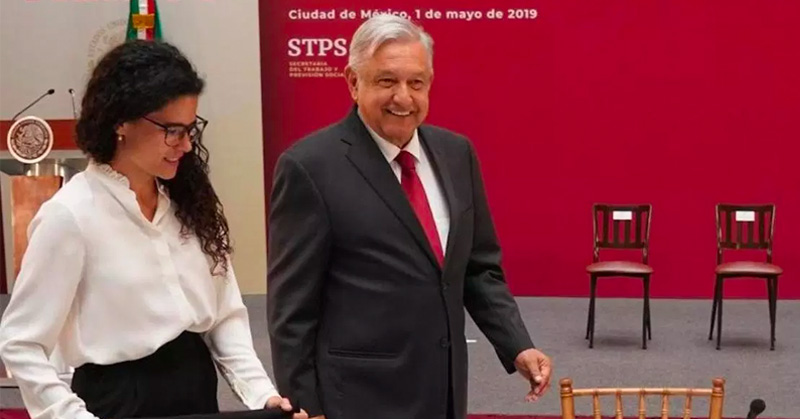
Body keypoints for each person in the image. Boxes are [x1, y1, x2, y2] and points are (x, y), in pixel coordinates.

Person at [0, 40, 306, 419]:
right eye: (172, 130)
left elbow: (224, 317)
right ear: (121, 122)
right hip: (117, 403)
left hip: (196, 396)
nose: (186, 145)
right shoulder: (70, 215)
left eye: (191, 129)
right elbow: (21, 343)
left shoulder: (191, 206)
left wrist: (262, 395)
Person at [267, 14, 552, 419]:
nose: (403, 97)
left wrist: (517, 344)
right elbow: (292, 312)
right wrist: (305, 408)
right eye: (387, 81)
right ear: (353, 82)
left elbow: (478, 269)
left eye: (416, 83)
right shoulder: (309, 167)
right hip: (359, 399)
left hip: (444, 392)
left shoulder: (457, 154)